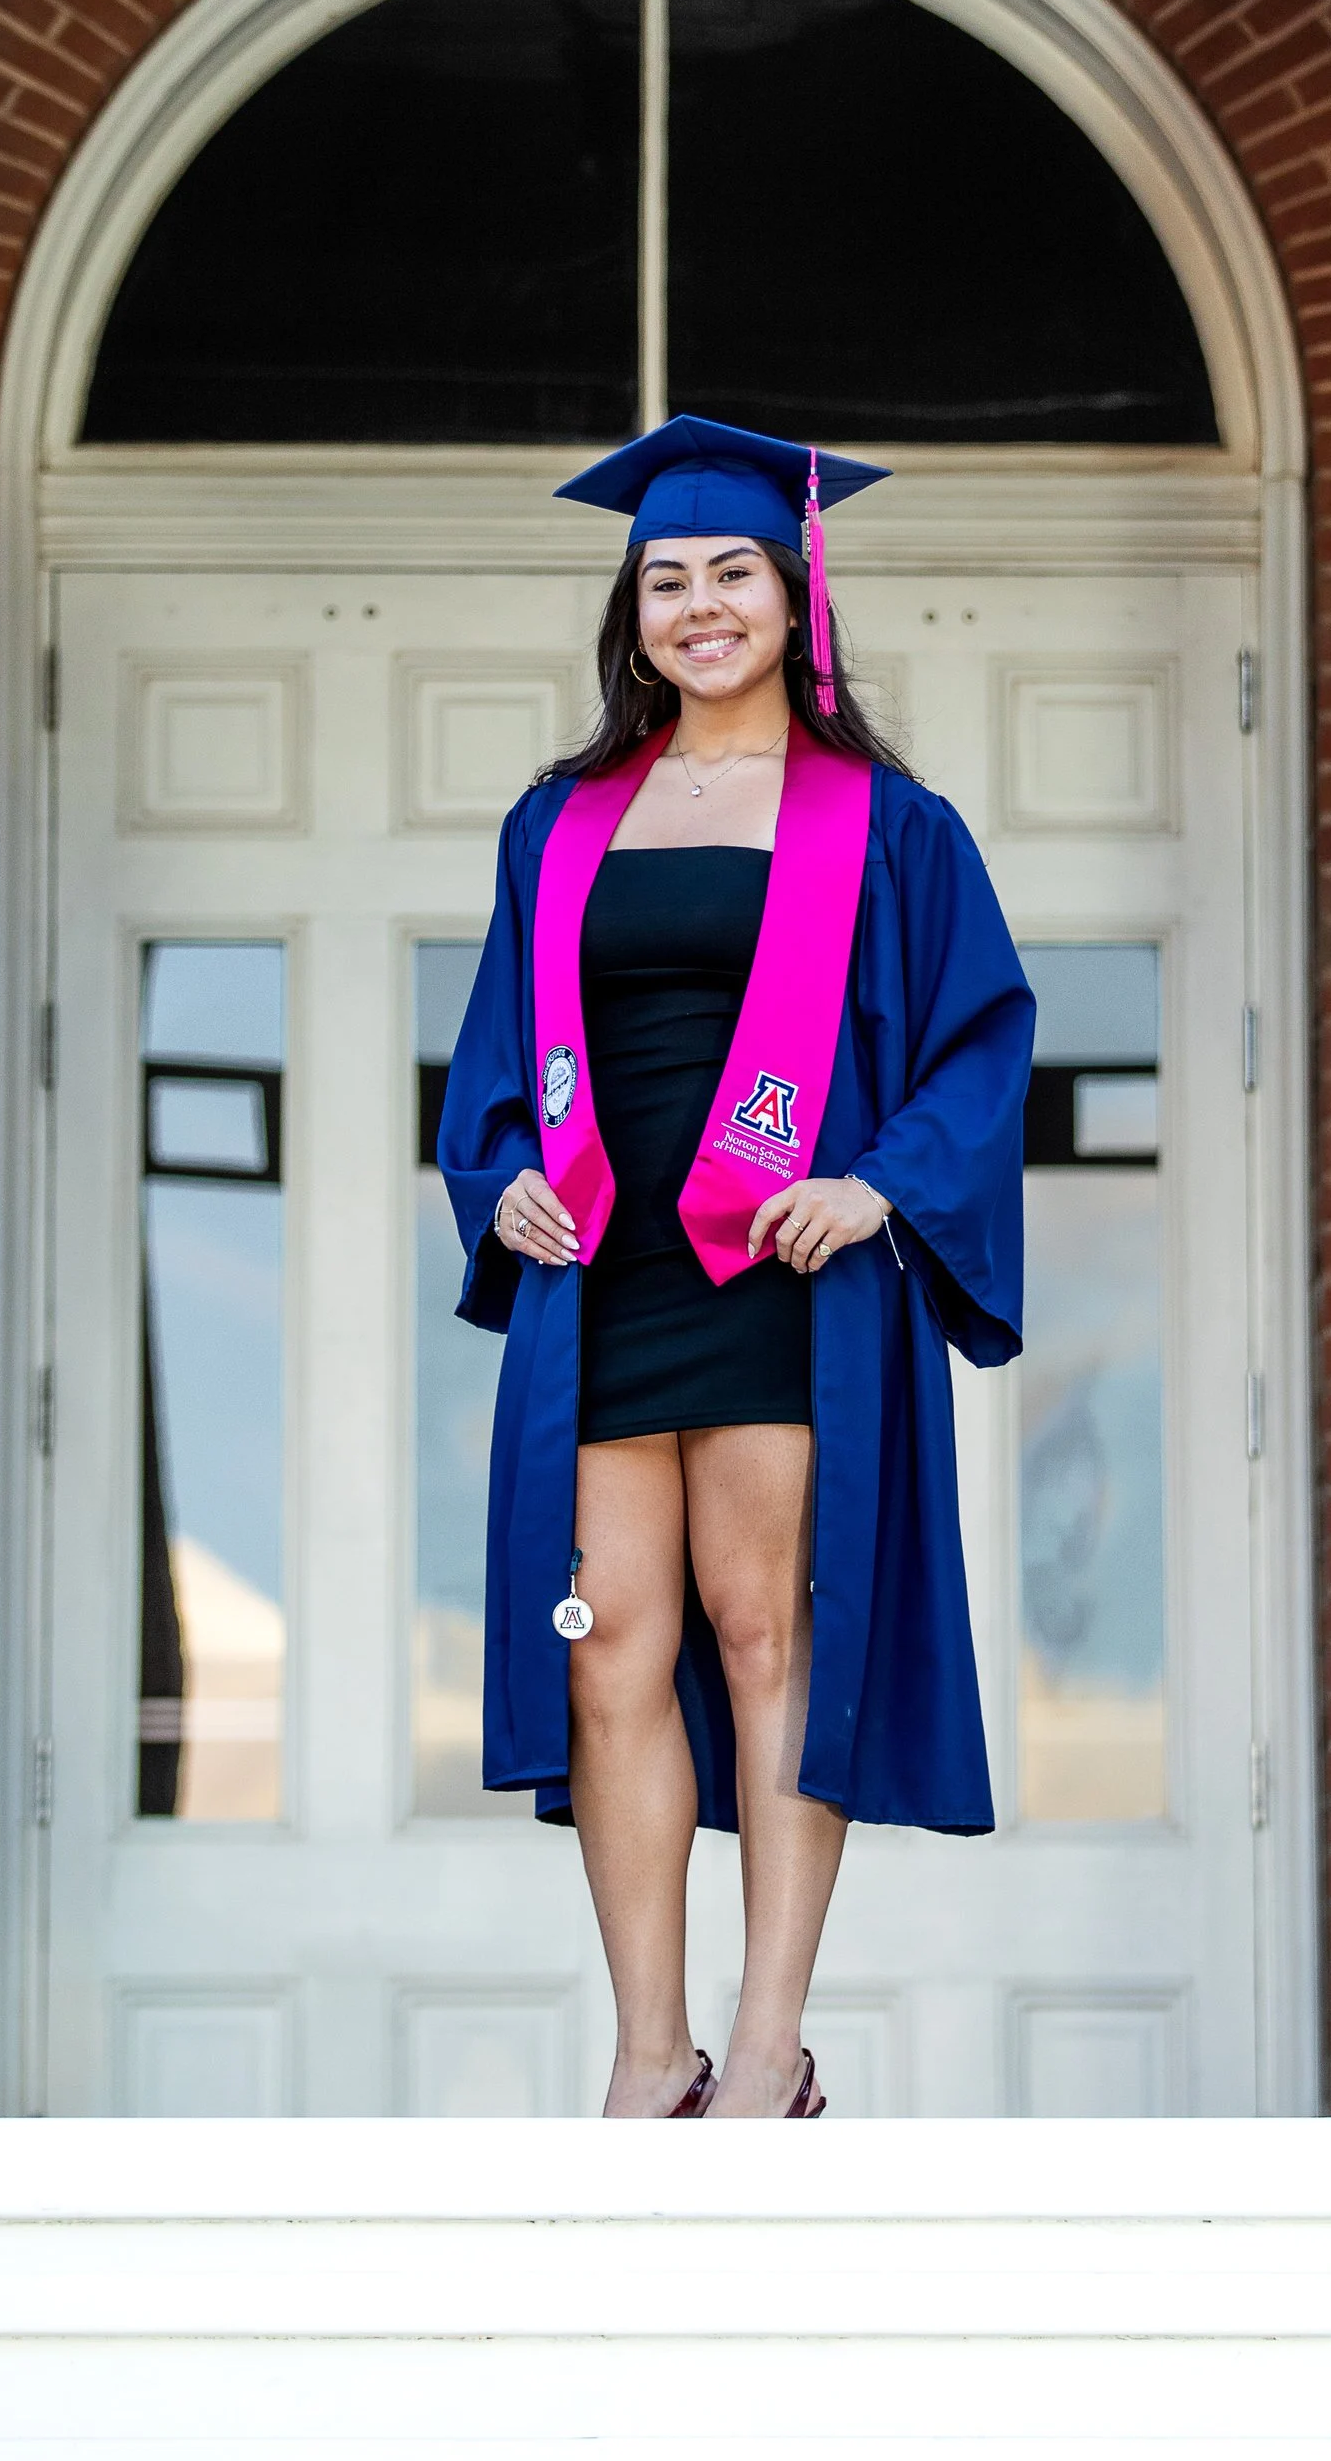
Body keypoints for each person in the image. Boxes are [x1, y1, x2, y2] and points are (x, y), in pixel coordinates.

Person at [437, 416, 1033, 2118]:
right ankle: (651, 2050)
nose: (699, 607)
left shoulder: (890, 828)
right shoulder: (557, 823)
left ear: (795, 598)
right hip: (611, 1262)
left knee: (765, 1624)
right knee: (607, 1639)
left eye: (733, 576)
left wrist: (878, 1184)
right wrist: (498, 1186)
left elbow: (984, 1039)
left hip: (777, 1260)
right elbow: (489, 1062)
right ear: (634, 613)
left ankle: (770, 2044)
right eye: (666, 580)